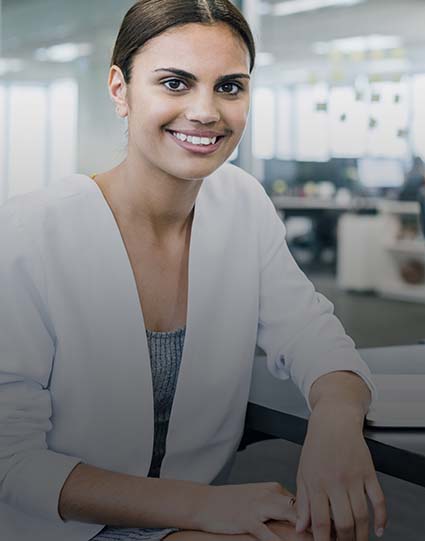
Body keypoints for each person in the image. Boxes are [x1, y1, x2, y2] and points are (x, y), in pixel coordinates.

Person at [0, 2, 387, 541]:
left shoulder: (243, 204)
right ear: (120, 90)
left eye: (230, 87)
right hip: (59, 526)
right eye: (175, 83)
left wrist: (335, 424)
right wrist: (199, 506)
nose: (206, 111)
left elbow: (316, 339)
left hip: (186, 519)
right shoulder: (28, 231)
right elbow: (9, 463)